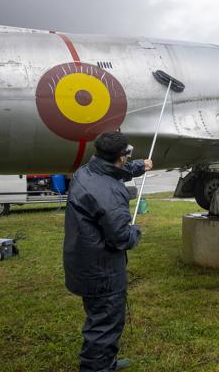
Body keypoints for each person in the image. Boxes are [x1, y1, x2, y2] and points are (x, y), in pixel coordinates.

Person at [63, 131, 152, 372]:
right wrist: (136, 231)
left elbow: (112, 171)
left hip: (85, 262)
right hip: (101, 272)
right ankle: (97, 367)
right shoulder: (109, 193)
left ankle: (107, 362)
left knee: (100, 318)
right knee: (104, 325)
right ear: (121, 156)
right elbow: (122, 238)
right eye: (128, 155)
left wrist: (139, 166)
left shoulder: (87, 171)